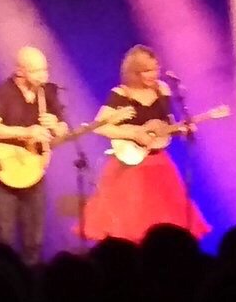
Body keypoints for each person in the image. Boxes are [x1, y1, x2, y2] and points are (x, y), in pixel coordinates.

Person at [81, 45, 210, 242]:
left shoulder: (162, 90)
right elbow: (98, 126)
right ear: (134, 72)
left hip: (158, 164)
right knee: (129, 223)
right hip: (129, 166)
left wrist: (181, 130)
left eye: (155, 69)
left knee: (165, 221)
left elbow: (166, 124)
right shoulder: (121, 94)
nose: (154, 75)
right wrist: (133, 132)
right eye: (147, 71)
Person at [0, 46, 69, 265]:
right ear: (20, 71)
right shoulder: (4, 92)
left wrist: (56, 126)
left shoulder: (47, 92)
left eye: (45, 70)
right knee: (4, 238)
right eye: (37, 71)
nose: (44, 76)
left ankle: (32, 287)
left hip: (34, 171)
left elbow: (63, 129)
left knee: (34, 239)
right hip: (5, 173)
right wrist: (26, 132)